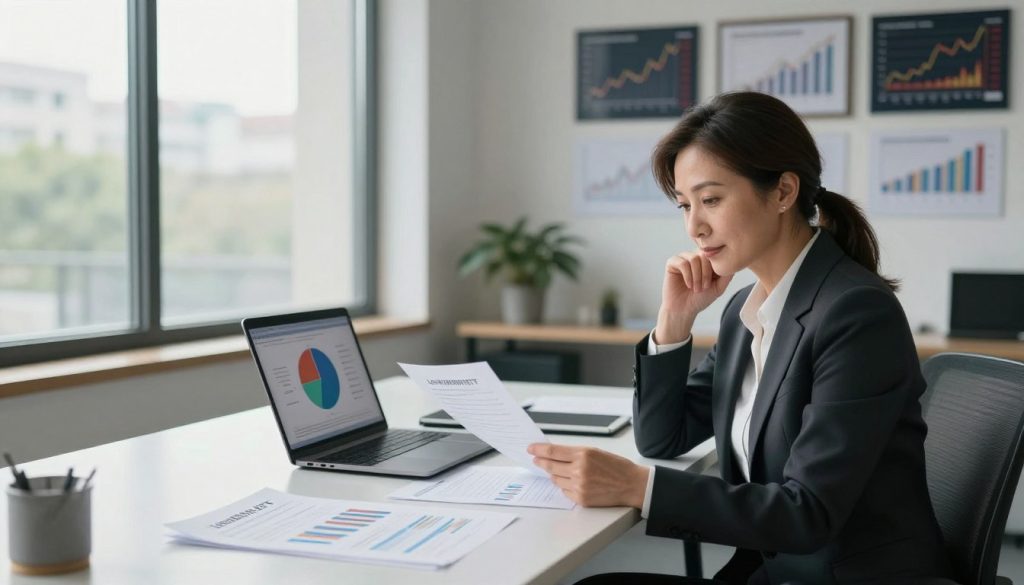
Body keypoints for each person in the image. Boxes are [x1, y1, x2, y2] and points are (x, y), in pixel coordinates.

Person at [527, 92, 953, 584]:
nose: (695, 227)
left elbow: (807, 512)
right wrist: (674, 323)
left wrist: (638, 487)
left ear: (783, 192)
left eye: (711, 200)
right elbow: (664, 437)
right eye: (685, 205)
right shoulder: (745, 311)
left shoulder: (856, 314)